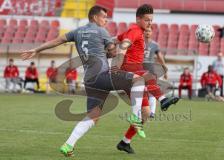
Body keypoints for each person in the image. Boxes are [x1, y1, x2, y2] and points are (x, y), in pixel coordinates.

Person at [21, 5, 149, 157]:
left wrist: (36, 50)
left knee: (93, 117)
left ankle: (68, 145)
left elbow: (57, 40)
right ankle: (135, 117)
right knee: (138, 80)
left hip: (89, 80)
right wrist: (121, 48)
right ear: (95, 17)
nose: (106, 20)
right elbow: (114, 52)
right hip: (102, 75)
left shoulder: (77, 31)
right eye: (104, 17)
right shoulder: (101, 31)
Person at [115, 4, 179, 154]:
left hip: (137, 73)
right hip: (129, 71)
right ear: (138, 19)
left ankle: (125, 142)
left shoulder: (135, 31)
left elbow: (118, 38)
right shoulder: (135, 30)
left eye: (151, 20)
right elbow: (124, 44)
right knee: (148, 76)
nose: (150, 23)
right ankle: (163, 100)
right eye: (147, 20)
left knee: (146, 114)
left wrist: (107, 42)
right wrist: (119, 59)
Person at [143, 27, 168, 117]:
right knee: (140, 90)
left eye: (149, 31)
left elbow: (160, 57)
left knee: (152, 89)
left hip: (150, 68)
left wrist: (165, 70)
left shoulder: (155, 45)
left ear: (152, 32)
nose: (147, 32)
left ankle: (152, 112)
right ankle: (143, 110)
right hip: (139, 68)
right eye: (146, 30)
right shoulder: (138, 42)